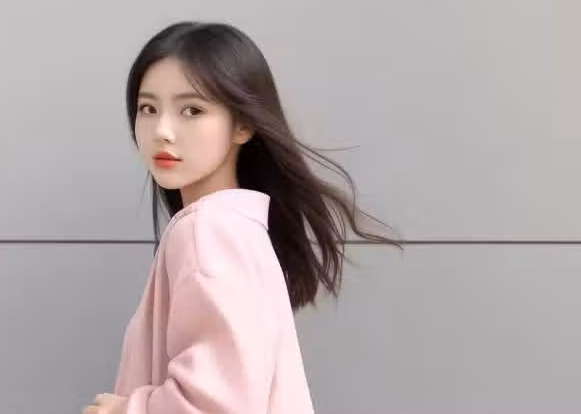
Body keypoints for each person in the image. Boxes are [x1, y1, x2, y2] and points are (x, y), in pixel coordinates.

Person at [83, 21, 396, 414]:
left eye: (192, 110)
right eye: (148, 108)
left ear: (243, 125)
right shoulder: (239, 228)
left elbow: (221, 403)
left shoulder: (207, 231)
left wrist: (127, 410)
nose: (162, 130)